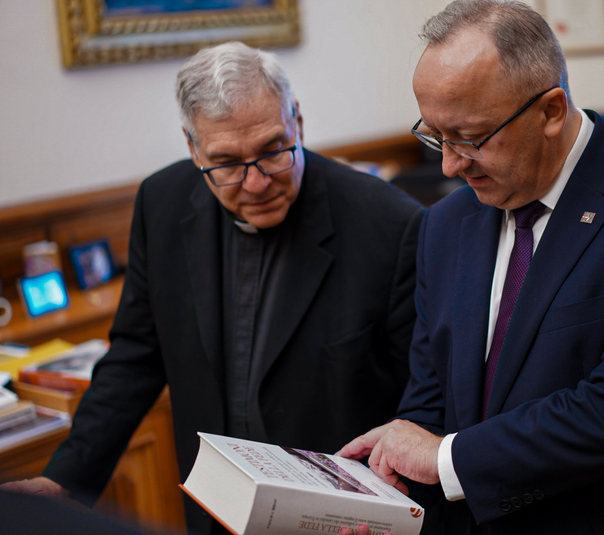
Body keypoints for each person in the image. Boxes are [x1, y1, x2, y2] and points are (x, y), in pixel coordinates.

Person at [337, 1, 604, 534]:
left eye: (470, 138)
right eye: (435, 136)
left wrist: (443, 459)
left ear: (551, 111)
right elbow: (432, 406)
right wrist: (384, 502)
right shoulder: (445, 224)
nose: (449, 165)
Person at [2, 41, 422, 535]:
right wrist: (65, 480)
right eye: (225, 163)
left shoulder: (388, 223)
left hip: (339, 518)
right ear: (192, 146)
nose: (256, 184)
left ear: (297, 121)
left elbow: (421, 399)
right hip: (213, 510)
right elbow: (135, 358)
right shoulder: (161, 203)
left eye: (273, 151)